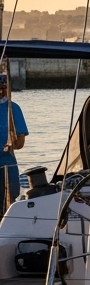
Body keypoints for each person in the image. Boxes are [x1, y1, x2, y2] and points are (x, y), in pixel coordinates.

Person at [0, 74, 28, 208]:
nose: (1, 91)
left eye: (4, 87)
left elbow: (20, 142)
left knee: (9, 200)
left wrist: (12, 145)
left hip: (7, 163)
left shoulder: (13, 109)